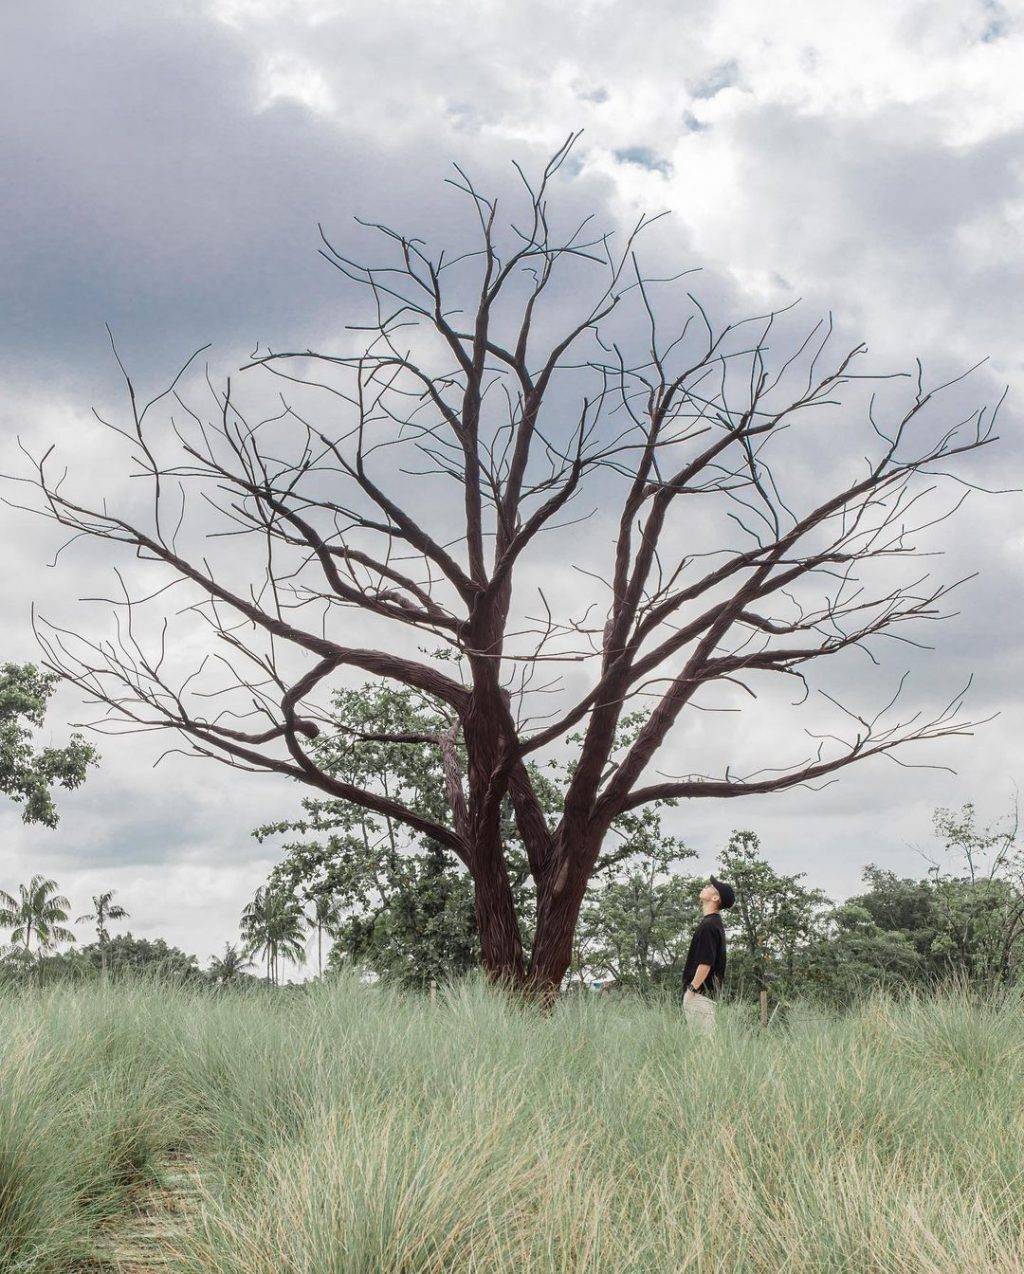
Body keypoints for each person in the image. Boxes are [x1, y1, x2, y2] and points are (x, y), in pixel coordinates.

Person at [682, 875, 735, 1033]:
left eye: (711, 887)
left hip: (699, 996)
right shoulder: (714, 923)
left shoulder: (709, 926)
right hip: (705, 996)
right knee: (704, 1042)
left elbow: (706, 963)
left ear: (715, 898)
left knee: (703, 1043)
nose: (706, 886)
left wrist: (692, 989)